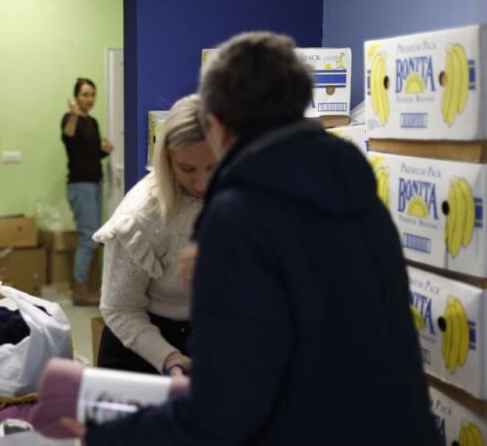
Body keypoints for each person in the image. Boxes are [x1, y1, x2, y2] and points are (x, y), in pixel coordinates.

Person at [62, 32, 437, 445]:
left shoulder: (239, 216)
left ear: (217, 123)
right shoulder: (357, 193)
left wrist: (107, 433)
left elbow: (225, 409)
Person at [94, 94, 215, 376]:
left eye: (214, 166)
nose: (202, 182)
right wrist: (170, 358)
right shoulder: (142, 215)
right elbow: (119, 309)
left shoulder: (243, 198)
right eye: (187, 169)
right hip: (140, 352)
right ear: (167, 159)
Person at [61, 78, 113, 305]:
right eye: (84, 94)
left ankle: (85, 286)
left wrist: (104, 151)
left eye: (92, 94)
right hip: (80, 184)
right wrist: (72, 114)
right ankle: (80, 290)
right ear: (76, 97)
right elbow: (68, 136)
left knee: (93, 236)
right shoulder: (70, 119)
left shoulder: (92, 122)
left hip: (95, 182)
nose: (89, 99)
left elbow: (90, 153)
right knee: (88, 237)